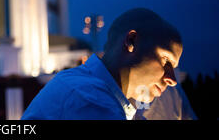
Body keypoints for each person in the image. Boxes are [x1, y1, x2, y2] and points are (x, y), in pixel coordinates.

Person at [22, 8, 183, 120]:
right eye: (166, 61)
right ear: (131, 41)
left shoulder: (87, 90)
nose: (172, 79)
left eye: (173, 68)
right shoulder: (91, 99)